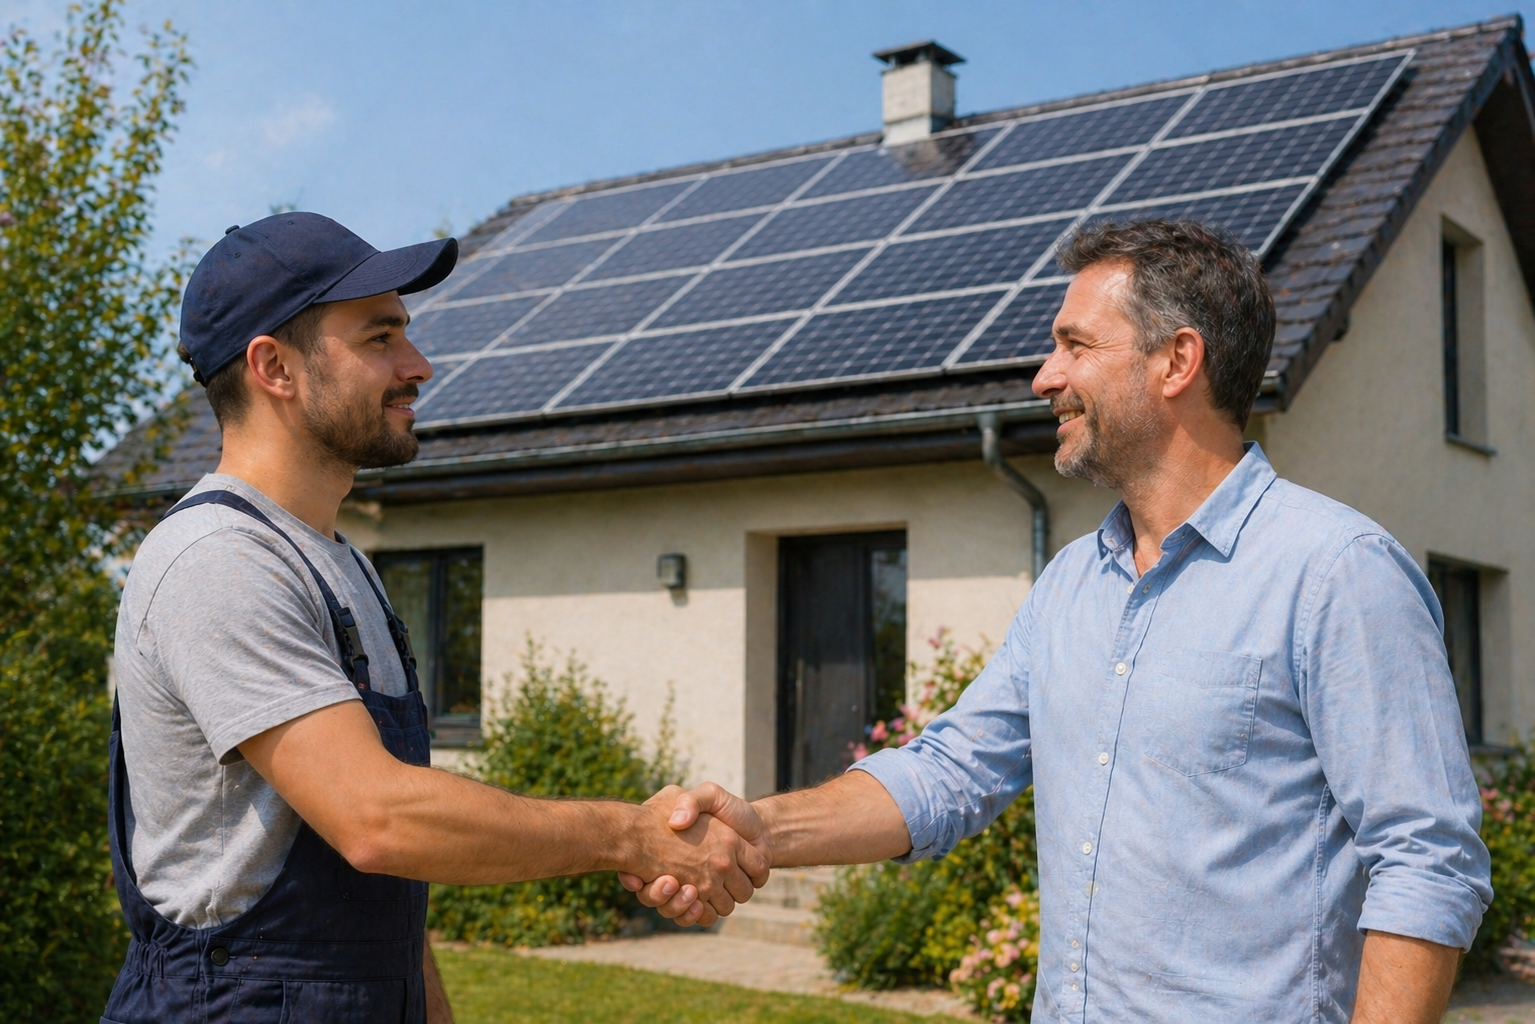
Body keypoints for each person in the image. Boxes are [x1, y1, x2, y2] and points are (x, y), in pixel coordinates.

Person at [627, 220, 1494, 1024]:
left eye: (1073, 345)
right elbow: (953, 771)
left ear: (1175, 361)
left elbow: (1426, 863)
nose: (1044, 377)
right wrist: (757, 830)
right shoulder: (1073, 583)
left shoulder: (1335, 572)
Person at [104, 213, 766, 1024]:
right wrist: (628, 835)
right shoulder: (218, 561)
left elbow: (384, 881)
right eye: (379, 339)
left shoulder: (343, 567)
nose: (417, 365)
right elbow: (377, 818)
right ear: (273, 366)